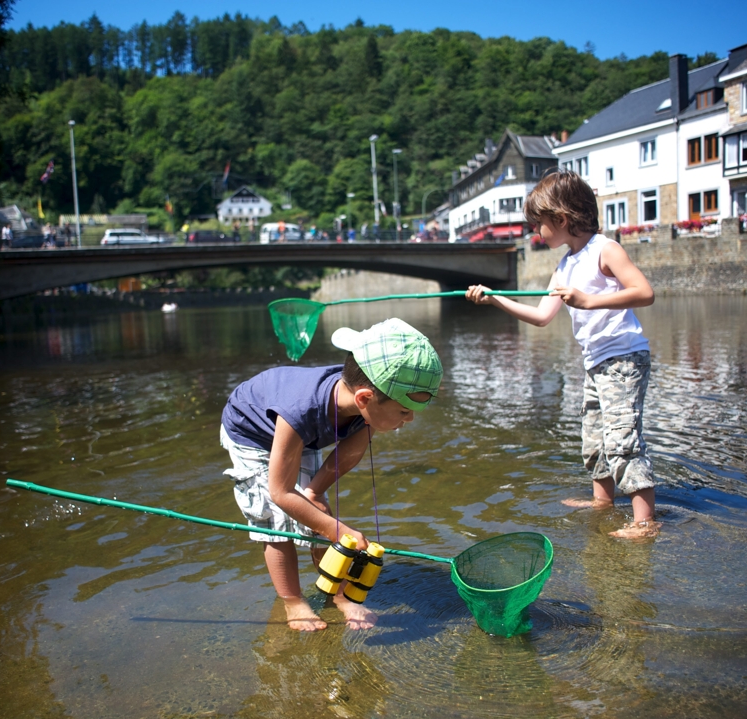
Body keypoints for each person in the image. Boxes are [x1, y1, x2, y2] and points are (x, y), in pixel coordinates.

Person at [465, 170, 658, 539]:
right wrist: (494, 298)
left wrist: (590, 300)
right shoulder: (565, 266)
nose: (536, 233)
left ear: (562, 219)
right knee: (594, 437)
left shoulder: (606, 249)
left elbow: (644, 292)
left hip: (624, 360)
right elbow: (541, 316)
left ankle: (645, 522)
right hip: (596, 364)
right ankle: (603, 502)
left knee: (622, 437)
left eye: (539, 225)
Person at [220, 318, 443, 631]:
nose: (409, 420)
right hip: (253, 431)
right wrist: (335, 529)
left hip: (303, 433)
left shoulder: (366, 408)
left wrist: (314, 493)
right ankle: (293, 600)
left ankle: (337, 596)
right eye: (404, 412)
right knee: (275, 522)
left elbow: (348, 455)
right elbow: (280, 492)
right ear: (364, 399)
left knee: (318, 512)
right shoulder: (301, 409)